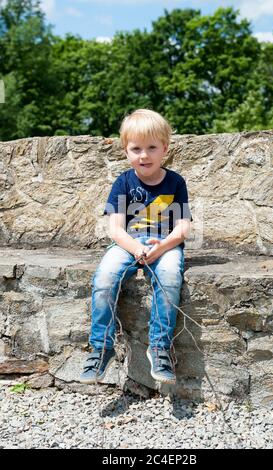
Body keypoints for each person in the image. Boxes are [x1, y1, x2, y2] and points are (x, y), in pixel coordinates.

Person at [80, 109, 192, 385]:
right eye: (136, 149)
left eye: (152, 148)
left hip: (164, 244)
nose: (144, 155)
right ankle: (101, 347)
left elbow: (183, 227)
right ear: (125, 151)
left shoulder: (175, 182)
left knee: (168, 278)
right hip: (128, 243)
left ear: (164, 149)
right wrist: (135, 249)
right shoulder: (124, 183)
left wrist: (164, 245)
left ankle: (159, 348)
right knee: (105, 278)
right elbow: (116, 229)